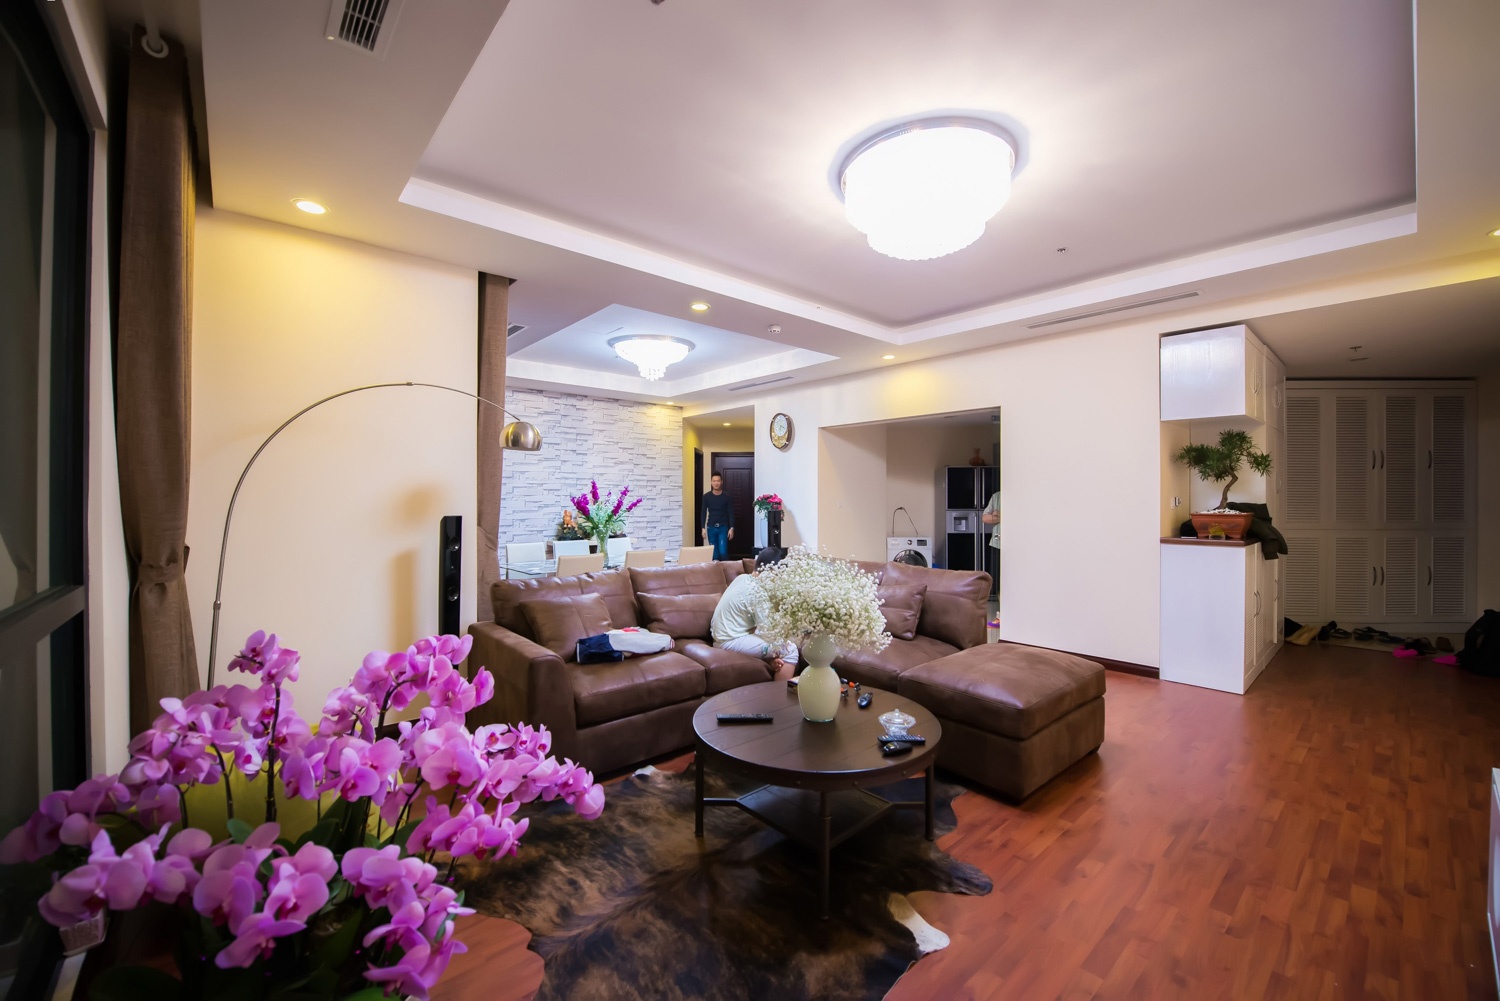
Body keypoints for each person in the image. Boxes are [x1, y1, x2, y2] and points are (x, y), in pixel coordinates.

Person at [712, 547, 797, 673]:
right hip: (731, 641)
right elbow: (769, 631)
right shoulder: (758, 591)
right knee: (790, 649)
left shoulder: (741, 578)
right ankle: (781, 687)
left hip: (722, 637)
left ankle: (771, 661)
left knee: (770, 642)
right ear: (772, 571)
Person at [700, 472, 734, 560]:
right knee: (715, 555)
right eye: (714, 481)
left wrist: (732, 528)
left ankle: (727, 568)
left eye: (718, 481)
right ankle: (717, 569)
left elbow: (731, 513)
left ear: (721, 482)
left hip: (723, 527)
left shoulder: (727, 496)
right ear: (711, 482)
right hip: (711, 527)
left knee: (723, 552)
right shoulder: (706, 497)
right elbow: (703, 512)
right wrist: (703, 528)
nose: (716, 483)